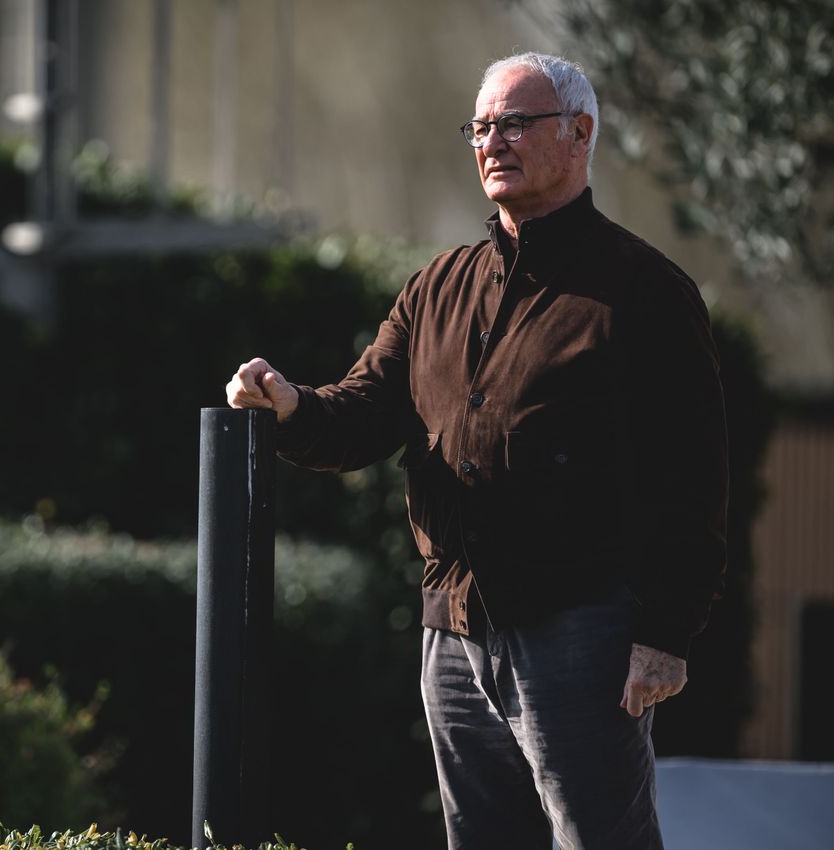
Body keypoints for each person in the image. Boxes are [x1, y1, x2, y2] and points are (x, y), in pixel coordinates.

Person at [226, 52, 727, 850]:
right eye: (482, 126)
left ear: (579, 133)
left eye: (516, 122)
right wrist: (289, 404)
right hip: (453, 635)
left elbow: (693, 478)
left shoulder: (644, 291)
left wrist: (665, 635)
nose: (493, 141)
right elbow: (361, 413)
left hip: (582, 631)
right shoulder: (436, 288)